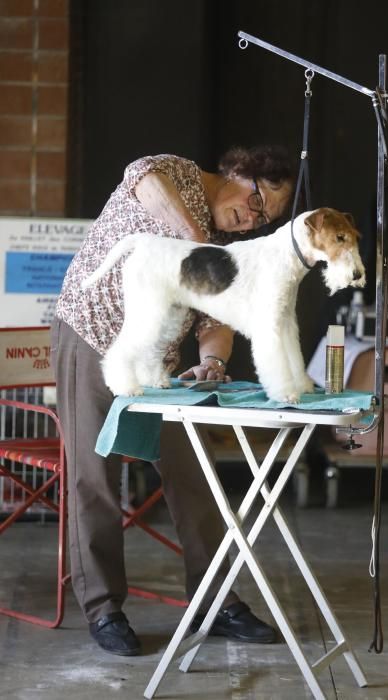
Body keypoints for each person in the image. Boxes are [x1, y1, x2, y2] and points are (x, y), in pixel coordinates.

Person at [51, 145, 294, 656]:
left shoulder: (230, 244)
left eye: (264, 219)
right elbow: (142, 179)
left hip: (157, 363)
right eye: (257, 201)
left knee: (194, 470)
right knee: (94, 475)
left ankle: (215, 599)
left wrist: (214, 361)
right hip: (91, 333)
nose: (252, 220)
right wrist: (199, 246)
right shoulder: (178, 175)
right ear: (239, 172)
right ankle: (103, 608)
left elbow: (217, 320)